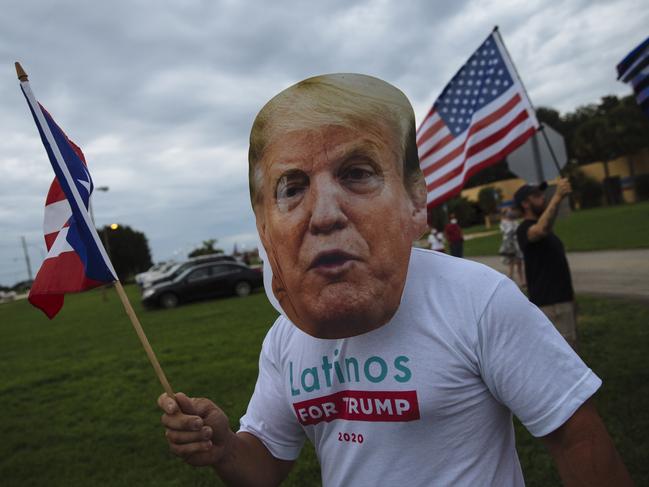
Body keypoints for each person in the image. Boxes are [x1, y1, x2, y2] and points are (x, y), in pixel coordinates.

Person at [158, 74, 631, 486]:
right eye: (293, 187)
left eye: (357, 174)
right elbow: (266, 463)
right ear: (265, 226)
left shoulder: (478, 299)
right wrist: (225, 449)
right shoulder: (285, 340)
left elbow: (578, 439)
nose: (323, 215)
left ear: (416, 201)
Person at [515, 180, 577, 350]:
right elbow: (539, 230)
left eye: (542, 194)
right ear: (525, 204)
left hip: (562, 301)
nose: (542, 197)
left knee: (571, 351)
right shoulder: (524, 230)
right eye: (536, 195)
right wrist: (557, 197)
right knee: (564, 356)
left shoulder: (548, 231)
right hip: (550, 305)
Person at [499, 208, 525, 286]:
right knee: (511, 262)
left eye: (511, 211)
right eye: (508, 212)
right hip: (509, 245)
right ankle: (510, 279)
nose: (510, 213)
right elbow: (506, 232)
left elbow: (519, 230)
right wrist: (512, 227)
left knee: (519, 261)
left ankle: (522, 280)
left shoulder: (515, 222)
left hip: (516, 244)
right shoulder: (503, 223)